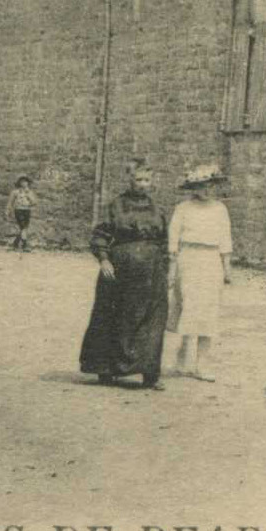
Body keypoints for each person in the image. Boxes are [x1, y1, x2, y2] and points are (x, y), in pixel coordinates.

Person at [78, 159, 169, 389]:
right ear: (129, 180)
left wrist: (166, 268)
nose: (142, 184)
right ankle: (106, 370)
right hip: (120, 270)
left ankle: (150, 374)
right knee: (112, 316)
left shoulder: (157, 209)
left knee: (152, 320)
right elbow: (100, 234)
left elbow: (164, 241)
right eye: (138, 179)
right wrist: (104, 259)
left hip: (151, 271)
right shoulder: (115, 206)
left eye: (146, 180)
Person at [166, 163, 233, 381]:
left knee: (208, 311)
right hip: (189, 259)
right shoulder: (183, 208)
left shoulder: (220, 209)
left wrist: (227, 266)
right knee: (189, 307)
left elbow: (225, 238)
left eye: (210, 186)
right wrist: (173, 267)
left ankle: (202, 363)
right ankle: (183, 359)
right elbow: (173, 237)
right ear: (193, 187)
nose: (206, 190)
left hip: (210, 260)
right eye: (201, 186)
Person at [8, 173, 35, 250]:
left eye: (25, 181)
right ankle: (25, 245)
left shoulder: (30, 192)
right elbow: (10, 202)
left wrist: (28, 196)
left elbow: (34, 202)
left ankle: (16, 243)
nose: (24, 183)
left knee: (24, 228)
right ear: (19, 183)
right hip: (18, 210)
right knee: (23, 227)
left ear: (28, 183)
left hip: (27, 210)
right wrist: (8, 210)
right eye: (22, 181)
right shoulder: (15, 192)